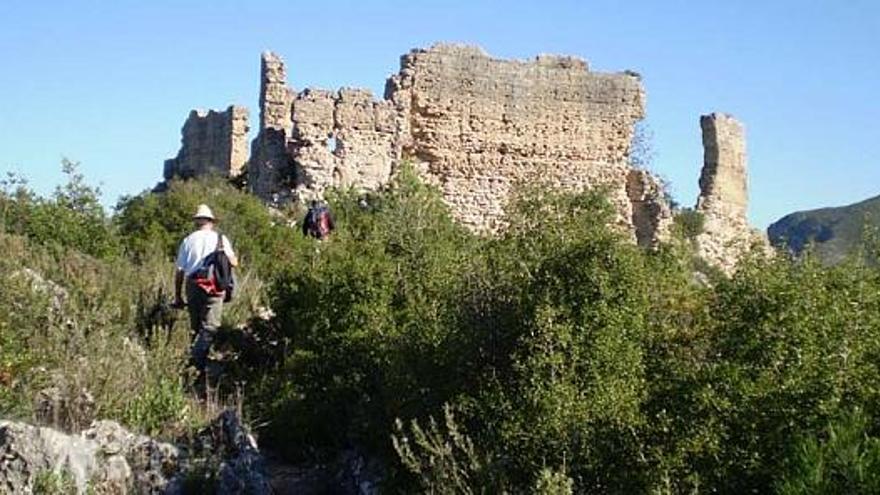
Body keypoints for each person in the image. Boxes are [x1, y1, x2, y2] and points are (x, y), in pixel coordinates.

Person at [173, 204, 238, 374]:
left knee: (195, 325)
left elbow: (179, 271)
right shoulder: (221, 239)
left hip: (193, 284)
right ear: (211, 222)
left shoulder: (188, 240)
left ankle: (196, 364)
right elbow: (234, 263)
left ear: (197, 222)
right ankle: (197, 360)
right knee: (211, 326)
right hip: (215, 286)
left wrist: (178, 296)